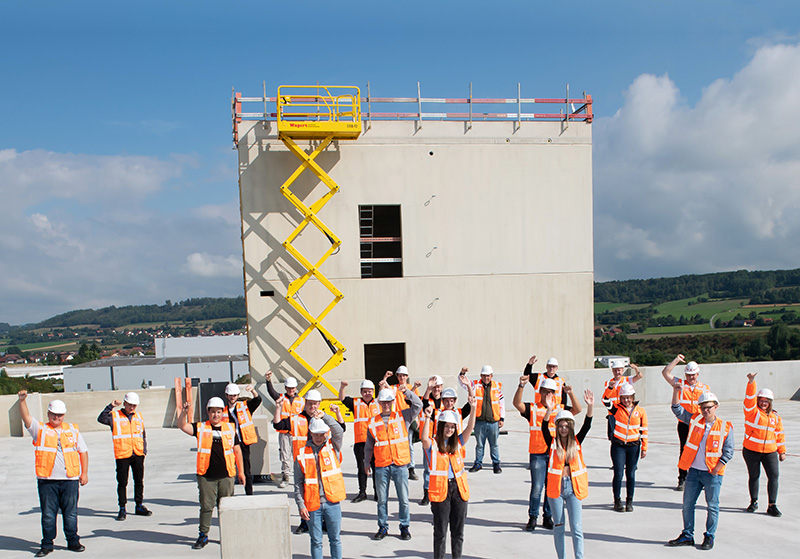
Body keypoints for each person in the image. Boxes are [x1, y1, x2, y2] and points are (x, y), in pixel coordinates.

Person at [18, 391, 89, 557]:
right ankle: (47, 544)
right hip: (47, 481)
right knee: (48, 515)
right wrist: (22, 401)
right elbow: (26, 417)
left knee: (70, 513)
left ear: (63, 415)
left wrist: (84, 473)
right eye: (54, 415)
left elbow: (83, 452)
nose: (57, 418)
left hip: (70, 480)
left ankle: (73, 541)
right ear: (48, 414)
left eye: (60, 415)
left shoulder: (73, 430)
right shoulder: (40, 429)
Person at [513, 373, 581, 531]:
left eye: (551, 391)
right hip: (537, 453)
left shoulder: (560, 409)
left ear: (555, 393)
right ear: (540, 392)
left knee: (551, 487)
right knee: (537, 487)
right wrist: (521, 386)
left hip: (554, 454)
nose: (547, 394)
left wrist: (570, 393)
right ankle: (533, 517)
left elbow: (577, 409)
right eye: (545, 391)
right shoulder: (533, 408)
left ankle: (547, 517)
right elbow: (517, 404)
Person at [667, 389, 733, 551]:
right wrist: (676, 391)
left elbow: (729, 451)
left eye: (709, 407)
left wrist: (717, 468)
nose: (706, 410)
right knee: (688, 504)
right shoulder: (695, 420)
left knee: (712, 506)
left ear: (716, 406)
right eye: (703, 407)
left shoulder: (725, 426)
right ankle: (687, 535)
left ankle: (709, 536)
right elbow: (677, 409)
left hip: (712, 474)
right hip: (694, 472)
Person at [177, 397, 246, 550]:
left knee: (226, 508)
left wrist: (241, 472)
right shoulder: (200, 427)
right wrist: (184, 413)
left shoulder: (230, 428)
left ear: (223, 412)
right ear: (208, 412)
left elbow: (237, 451)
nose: (216, 415)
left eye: (219, 412)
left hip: (227, 475)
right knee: (207, 507)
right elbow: (182, 426)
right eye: (213, 412)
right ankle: (203, 535)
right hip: (206, 476)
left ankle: (228, 535)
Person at [273, 389, 338, 534]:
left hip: (321, 462)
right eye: (310, 404)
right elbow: (278, 425)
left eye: (315, 404)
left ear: (319, 404)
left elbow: (340, 429)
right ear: (305, 403)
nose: (313, 407)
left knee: (322, 492)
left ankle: (323, 521)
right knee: (303, 492)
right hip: (302, 462)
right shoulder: (295, 419)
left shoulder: (323, 419)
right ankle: (305, 521)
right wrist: (278, 408)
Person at [421, 394, 478, 559]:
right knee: (440, 532)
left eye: (452, 427)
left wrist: (473, 408)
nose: (450, 430)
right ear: (441, 427)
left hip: (459, 491)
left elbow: (470, 427)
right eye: (446, 426)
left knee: (458, 531)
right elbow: (423, 438)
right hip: (441, 492)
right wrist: (426, 417)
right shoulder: (432, 445)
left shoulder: (458, 443)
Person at [365, 385, 422, 541]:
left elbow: (418, 405)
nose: (386, 405)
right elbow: (369, 445)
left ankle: (404, 527)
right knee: (382, 500)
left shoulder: (403, 416)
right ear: (379, 403)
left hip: (400, 465)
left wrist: (407, 392)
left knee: (403, 499)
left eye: (389, 401)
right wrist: (366, 463)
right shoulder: (373, 422)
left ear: (393, 401)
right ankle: (383, 527)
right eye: (383, 402)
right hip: (382, 466)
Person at [542, 389, 594, 559]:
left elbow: (587, 425)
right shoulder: (551, 443)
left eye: (567, 425)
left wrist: (590, 407)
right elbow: (544, 427)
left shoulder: (577, 441)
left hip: (573, 488)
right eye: (561, 425)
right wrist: (549, 409)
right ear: (557, 427)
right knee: (559, 526)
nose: (563, 429)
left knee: (577, 527)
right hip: (556, 490)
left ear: (571, 427)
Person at [295, 417, 345, 559]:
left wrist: (325, 417)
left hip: (332, 502)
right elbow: (298, 483)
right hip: (312, 504)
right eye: (315, 434)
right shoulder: (301, 453)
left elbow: (339, 431)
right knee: (316, 541)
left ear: (326, 433)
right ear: (310, 433)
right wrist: (301, 505)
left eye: (321, 434)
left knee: (335, 539)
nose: (318, 437)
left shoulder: (332, 447)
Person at [97, 391, 152, 520]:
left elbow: (142, 434)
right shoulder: (115, 416)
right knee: (122, 482)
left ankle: (139, 505)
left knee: (139, 481)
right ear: (125, 403)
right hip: (122, 454)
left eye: (134, 405)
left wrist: (144, 450)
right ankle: (122, 508)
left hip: (137, 453)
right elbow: (101, 418)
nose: (132, 407)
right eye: (130, 405)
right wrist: (110, 406)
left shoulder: (139, 416)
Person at [661, 354, 710, 491]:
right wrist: (676, 360)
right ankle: (682, 478)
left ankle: (701, 478)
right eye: (688, 374)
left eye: (693, 374)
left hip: (699, 424)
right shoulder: (680, 383)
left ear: (697, 374)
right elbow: (665, 373)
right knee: (684, 451)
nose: (691, 377)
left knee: (701, 450)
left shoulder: (704, 388)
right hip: (684, 423)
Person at [742, 372, 785, 517]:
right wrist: (751, 382)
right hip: (752, 451)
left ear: (770, 402)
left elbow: (779, 434)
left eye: (766, 401)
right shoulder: (752, 412)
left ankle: (772, 505)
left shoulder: (775, 416)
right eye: (761, 400)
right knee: (754, 476)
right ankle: (753, 501)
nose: (763, 403)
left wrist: (782, 451)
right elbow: (749, 399)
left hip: (770, 452)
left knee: (774, 476)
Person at [338, 379, 380, 503]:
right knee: (361, 468)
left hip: (376, 442)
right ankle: (362, 492)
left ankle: (377, 492)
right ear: (361, 392)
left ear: (373, 392)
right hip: (361, 442)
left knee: (376, 467)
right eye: (365, 391)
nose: (367, 393)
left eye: (370, 391)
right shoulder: (355, 403)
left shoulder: (378, 403)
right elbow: (342, 398)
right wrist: (342, 387)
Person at [608, 383, 647, 512]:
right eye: (623, 398)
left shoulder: (640, 411)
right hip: (618, 446)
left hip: (634, 446)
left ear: (632, 397)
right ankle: (617, 500)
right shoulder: (616, 409)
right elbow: (605, 400)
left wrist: (644, 447)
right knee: (618, 473)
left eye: (628, 397)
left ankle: (629, 501)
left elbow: (644, 430)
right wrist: (610, 388)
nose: (626, 400)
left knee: (630, 474)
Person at [265, 371, 304, 488]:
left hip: (298, 433)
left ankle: (301, 477)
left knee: (299, 456)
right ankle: (286, 477)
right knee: (285, 456)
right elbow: (271, 392)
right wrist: (268, 381)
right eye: (288, 388)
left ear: (295, 388)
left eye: (292, 388)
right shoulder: (281, 398)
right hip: (284, 433)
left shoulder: (302, 401)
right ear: (285, 388)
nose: (291, 390)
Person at [223, 382, 262, 495]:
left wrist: (253, 391)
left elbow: (257, 400)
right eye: (230, 395)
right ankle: (228, 494)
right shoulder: (223, 411)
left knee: (246, 470)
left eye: (234, 395)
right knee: (229, 469)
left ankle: (249, 494)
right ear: (226, 395)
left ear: (238, 395)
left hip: (243, 443)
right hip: (230, 444)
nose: (232, 397)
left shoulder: (244, 406)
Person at [467, 365, 504, 473]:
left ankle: (496, 464)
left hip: (493, 422)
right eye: (484, 376)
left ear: (491, 376)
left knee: (494, 445)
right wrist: (462, 374)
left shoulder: (496, 387)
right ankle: (478, 463)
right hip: (479, 421)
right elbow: (464, 384)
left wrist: (502, 418)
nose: (486, 378)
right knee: (479, 445)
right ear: (480, 376)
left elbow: (501, 403)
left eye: (488, 376)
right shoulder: (475, 385)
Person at [388, 366, 422, 480]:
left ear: (407, 376)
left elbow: (416, 403)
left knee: (409, 445)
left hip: (408, 418)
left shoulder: (412, 387)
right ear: (397, 376)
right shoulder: (394, 388)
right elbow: (386, 390)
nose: (402, 377)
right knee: (395, 444)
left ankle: (411, 468)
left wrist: (417, 418)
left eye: (404, 375)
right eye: (400, 375)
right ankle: (396, 466)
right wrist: (385, 378)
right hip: (396, 419)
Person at [601, 359, 642, 442]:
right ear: (612, 371)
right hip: (613, 412)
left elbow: (639, 376)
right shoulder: (608, 383)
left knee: (626, 432)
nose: (617, 372)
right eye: (615, 370)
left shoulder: (627, 380)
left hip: (624, 411)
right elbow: (605, 397)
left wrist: (636, 369)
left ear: (622, 370)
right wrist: (610, 388)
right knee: (615, 435)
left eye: (619, 370)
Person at [419, 375, 444, 505]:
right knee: (428, 468)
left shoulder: (445, 401)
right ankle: (426, 493)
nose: (436, 389)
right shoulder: (428, 401)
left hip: (442, 440)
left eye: (438, 386)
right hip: (429, 440)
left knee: (442, 468)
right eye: (434, 387)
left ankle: (440, 491)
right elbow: (423, 403)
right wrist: (428, 389)